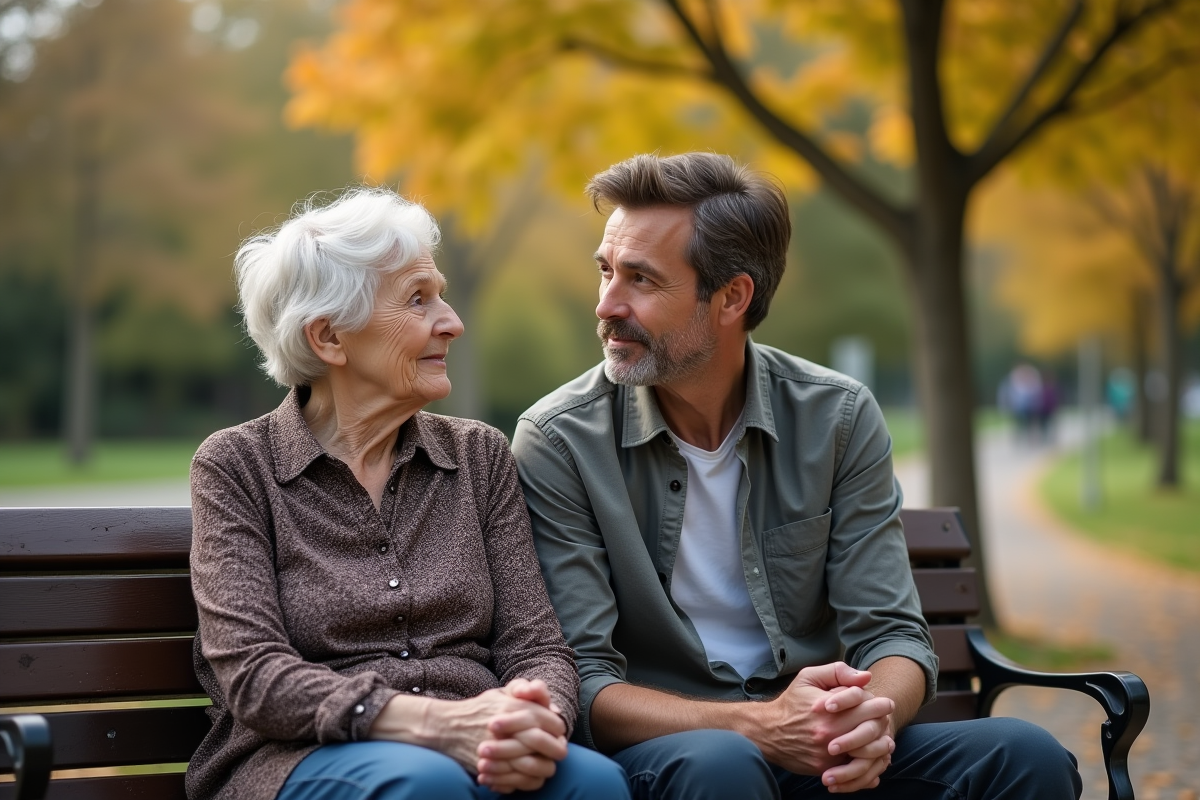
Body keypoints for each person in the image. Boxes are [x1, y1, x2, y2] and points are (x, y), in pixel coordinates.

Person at [511, 153, 1082, 799]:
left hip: (822, 739)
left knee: (1025, 754)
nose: (607, 304)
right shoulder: (561, 439)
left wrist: (872, 721)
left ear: (733, 298)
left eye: (641, 279)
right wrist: (756, 726)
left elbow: (892, 632)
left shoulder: (836, 417)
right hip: (679, 749)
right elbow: (586, 679)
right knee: (724, 765)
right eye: (606, 271)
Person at [186, 188, 629, 800]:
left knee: (594, 785)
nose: (452, 321)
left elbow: (536, 643)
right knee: (424, 783)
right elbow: (255, 676)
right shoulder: (237, 467)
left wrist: (534, 721)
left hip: (478, 742)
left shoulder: (478, 455)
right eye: (418, 300)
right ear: (329, 338)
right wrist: (435, 726)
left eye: (441, 296)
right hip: (302, 757)